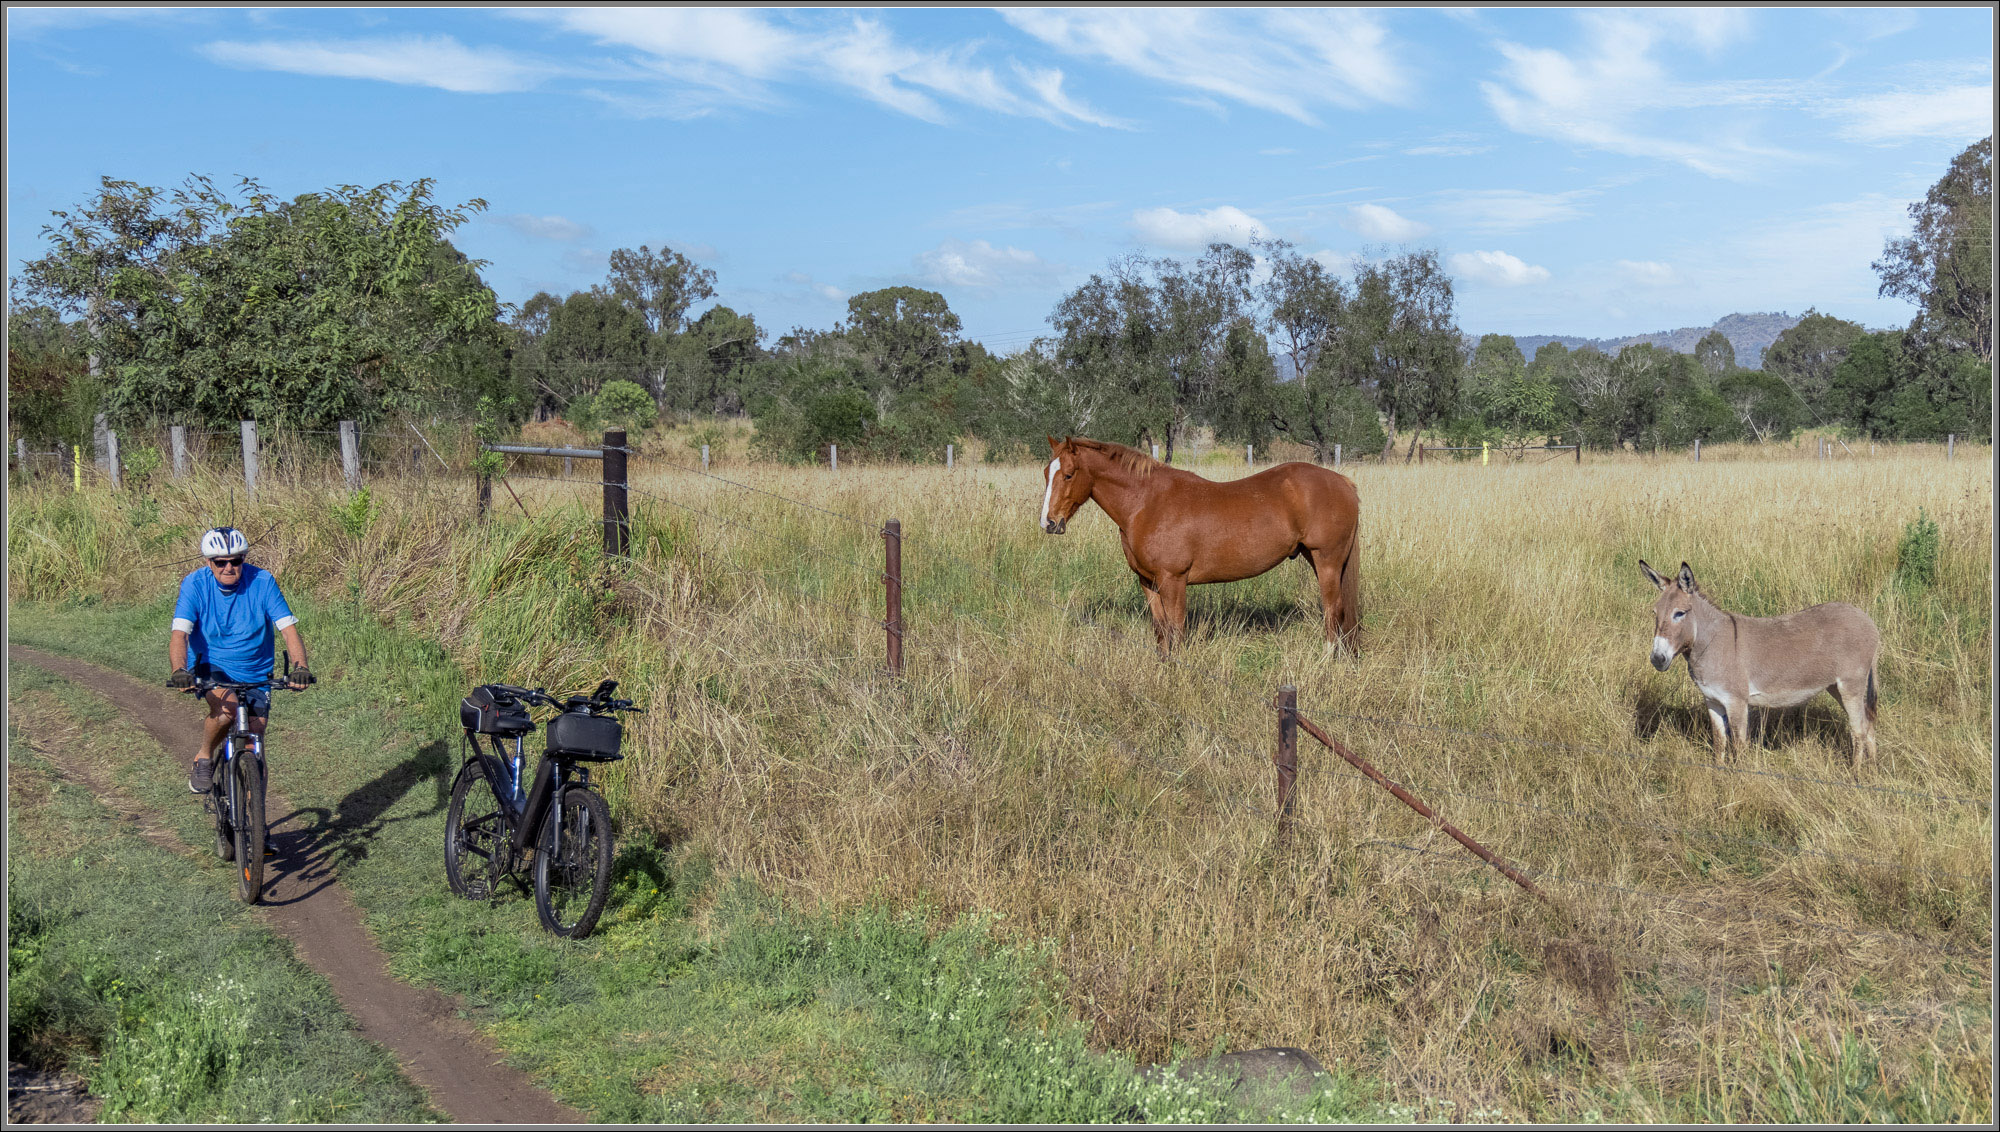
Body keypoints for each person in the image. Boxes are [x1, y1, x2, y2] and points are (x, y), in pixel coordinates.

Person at [167, 527, 314, 793]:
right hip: (213, 667)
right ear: (208, 562)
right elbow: (180, 634)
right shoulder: (194, 584)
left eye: (235, 560)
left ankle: (256, 824)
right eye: (220, 562)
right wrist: (179, 670)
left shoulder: (263, 581)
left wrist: (300, 667)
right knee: (227, 711)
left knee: (255, 740)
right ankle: (204, 757)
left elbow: (288, 629)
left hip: (257, 671)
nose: (228, 567)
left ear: (244, 559)